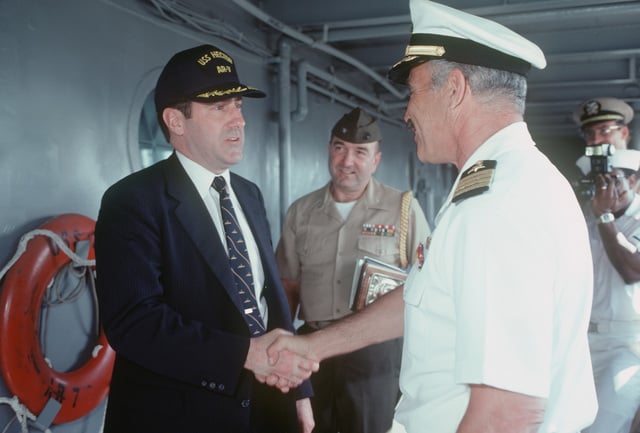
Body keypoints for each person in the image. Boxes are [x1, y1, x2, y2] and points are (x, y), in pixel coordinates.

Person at [267, 1, 598, 432]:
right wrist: (311, 346)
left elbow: (505, 413)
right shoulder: (497, 187)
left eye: (415, 90)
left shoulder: (499, 205)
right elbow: (419, 299)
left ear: (455, 89)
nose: (407, 112)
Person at [94, 44, 317, 433]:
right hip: (180, 415)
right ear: (176, 122)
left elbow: (271, 298)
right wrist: (246, 354)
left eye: (239, 106)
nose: (239, 121)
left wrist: (299, 389)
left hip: (266, 406)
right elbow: (134, 321)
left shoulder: (248, 194)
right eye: (219, 108)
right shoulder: (132, 200)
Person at [275, 107, 431, 433]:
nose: (347, 161)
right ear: (329, 150)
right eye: (339, 148)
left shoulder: (403, 208)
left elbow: (427, 286)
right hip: (313, 350)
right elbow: (287, 285)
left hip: (373, 354)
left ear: (375, 160)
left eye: (361, 152)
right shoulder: (301, 212)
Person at [583, 149, 640, 433]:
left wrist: (605, 217)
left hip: (626, 343)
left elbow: (632, 270)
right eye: (600, 181)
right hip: (584, 340)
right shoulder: (589, 218)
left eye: (614, 180)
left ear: (634, 182)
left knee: (604, 426)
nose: (606, 189)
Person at [574, 97, 635, 177]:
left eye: (604, 131)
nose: (595, 140)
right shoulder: (579, 173)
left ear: (624, 132)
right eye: (589, 133)